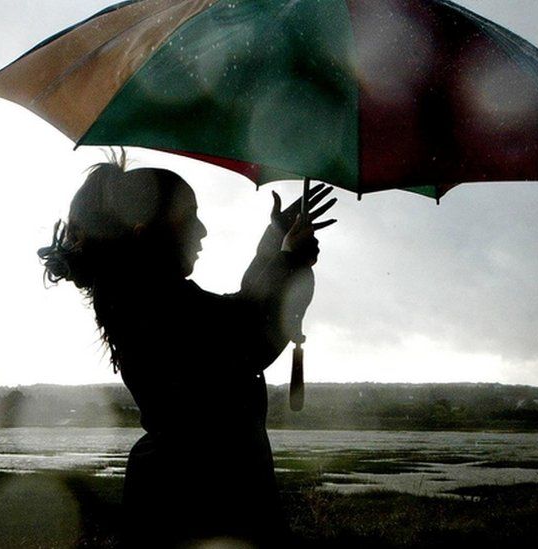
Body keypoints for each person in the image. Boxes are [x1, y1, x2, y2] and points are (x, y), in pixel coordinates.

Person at [37, 155, 336, 547]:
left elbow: (237, 312)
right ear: (145, 231)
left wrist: (276, 243)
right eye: (189, 215)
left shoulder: (140, 297)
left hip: (181, 493)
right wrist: (289, 261)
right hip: (200, 502)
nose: (203, 230)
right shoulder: (150, 305)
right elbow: (246, 336)